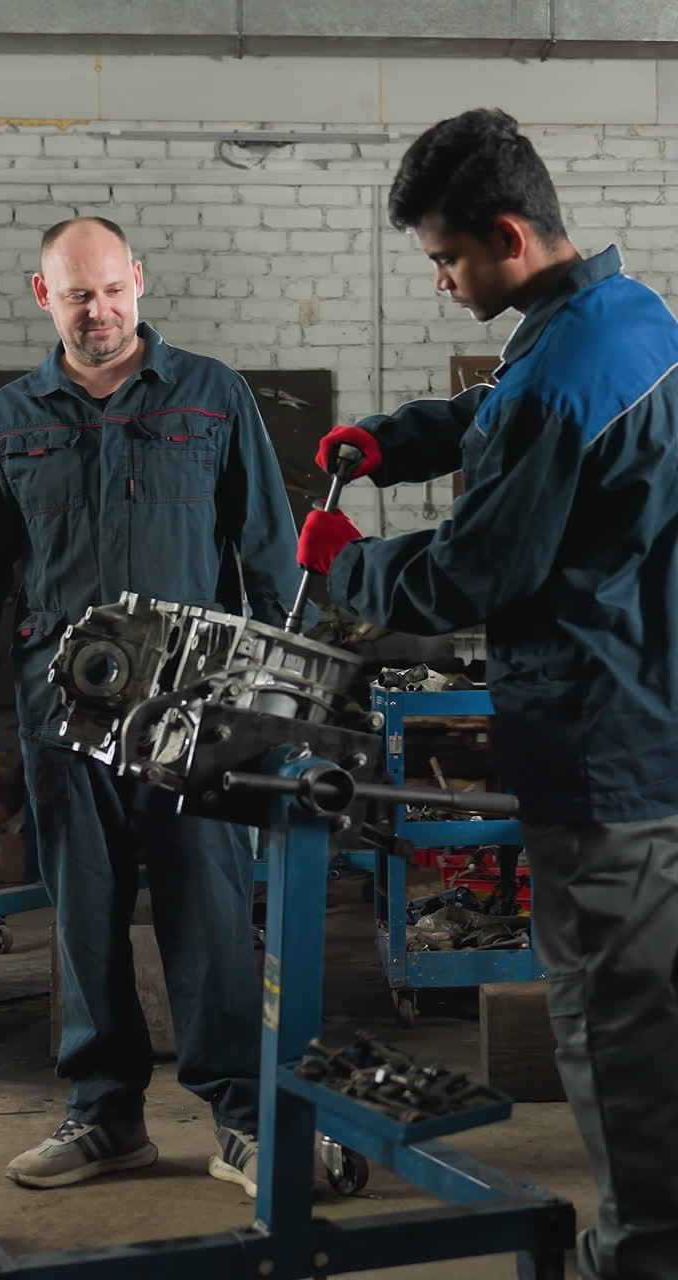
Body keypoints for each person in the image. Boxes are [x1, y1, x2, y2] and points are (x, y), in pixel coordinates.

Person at [298, 109, 678, 1280]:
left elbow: (473, 569)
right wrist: (392, 437)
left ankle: (643, 1257)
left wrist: (341, 563)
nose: (444, 281)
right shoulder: (627, 315)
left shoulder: (558, 379)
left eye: (448, 259)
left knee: (616, 1034)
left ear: (508, 234)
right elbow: (491, 416)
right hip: (653, 709)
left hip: (602, 747)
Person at [0, 215, 309, 1194]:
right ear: (44, 298)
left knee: (208, 911)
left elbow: (269, 550)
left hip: (195, 709)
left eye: (113, 289)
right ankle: (105, 1116)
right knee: (84, 917)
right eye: (78, 295)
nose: (100, 310)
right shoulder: (9, 420)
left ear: (138, 282)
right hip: (59, 709)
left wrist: (282, 690)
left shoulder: (211, 396)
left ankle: (242, 1116)